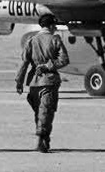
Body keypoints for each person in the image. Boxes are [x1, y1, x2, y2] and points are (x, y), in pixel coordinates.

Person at [15, 13, 70, 152]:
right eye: (54, 25)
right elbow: (64, 60)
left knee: (39, 112)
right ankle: (42, 139)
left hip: (33, 82)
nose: (56, 28)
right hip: (49, 81)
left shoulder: (31, 40)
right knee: (46, 111)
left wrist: (19, 81)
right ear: (51, 26)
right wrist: (48, 66)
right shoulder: (55, 40)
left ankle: (43, 138)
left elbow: (24, 63)